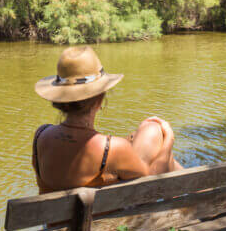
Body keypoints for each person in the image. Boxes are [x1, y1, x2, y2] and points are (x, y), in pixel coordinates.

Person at [32, 45, 183, 194]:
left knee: (150, 129)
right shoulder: (112, 149)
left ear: (61, 99)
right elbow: (150, 185)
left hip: (56, 218)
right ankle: (202, 192)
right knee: (157, 133)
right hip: (106, 218)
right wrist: (169, 138)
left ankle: (202, 189)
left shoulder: (40, 136)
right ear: (99, 100)